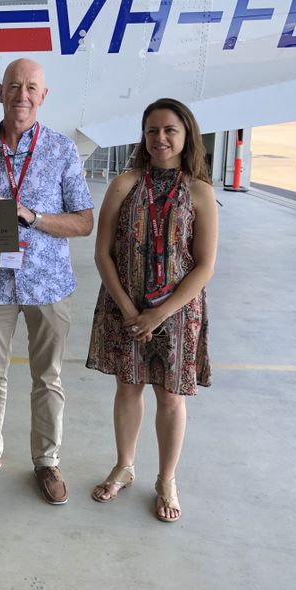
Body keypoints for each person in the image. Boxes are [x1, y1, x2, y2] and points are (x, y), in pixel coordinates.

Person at [0, 59, 94, 505]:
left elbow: (84, 222)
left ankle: (47, 461)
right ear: (0, 92)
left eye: (32, 87)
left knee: (47, 377)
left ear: (44, 96)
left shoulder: (61, 150)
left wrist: (31, 216)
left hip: (48, 285)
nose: (22, 95)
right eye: (14, 86)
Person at [86, 97, 218, 523]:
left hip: (177, 314)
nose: (160, 138)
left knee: (170, 397)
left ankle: (166, 479)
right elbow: (103, 253)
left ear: (185, 136)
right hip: (126, 307)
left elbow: (204, 266)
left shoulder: (200, 192)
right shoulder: (124, 184)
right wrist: (128, 309)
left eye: (169, 130)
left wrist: (159, 314)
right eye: (152, 131)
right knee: (128, 387)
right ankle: (124, 465)